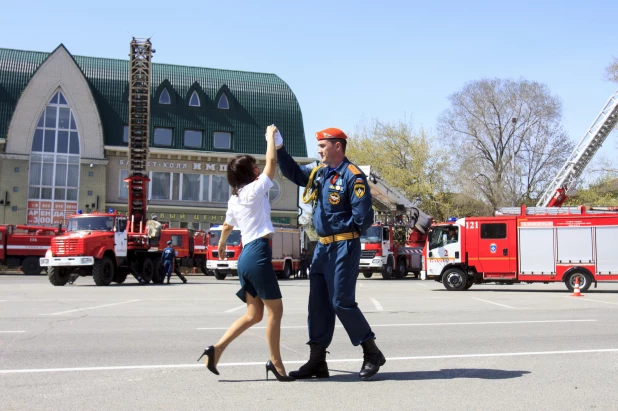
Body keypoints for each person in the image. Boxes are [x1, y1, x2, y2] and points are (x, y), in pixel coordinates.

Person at [276, 127, 386, 380]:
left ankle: (371, 352)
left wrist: (347, 233)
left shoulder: (352, 176)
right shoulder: (319, 172)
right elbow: (293, 173)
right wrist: (280, 150)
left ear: (338, 146)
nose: (319, 150)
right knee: (318, 305)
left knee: (341, 301)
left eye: (323, 146)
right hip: (323, 247)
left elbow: (363, 216)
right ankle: (317, 361)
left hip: (344, 246)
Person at [198, 125, 294, 382]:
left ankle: (216, 350)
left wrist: (220, 243)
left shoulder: (235, 198)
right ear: (248, 172)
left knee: (254, 314)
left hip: (245, 256)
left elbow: (228, 224)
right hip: (258, 253)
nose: (257, 168)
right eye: (254, 166)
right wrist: (270, 138)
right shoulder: (254, 190)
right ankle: (276, 363)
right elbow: (272, 164)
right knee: (276, 311)